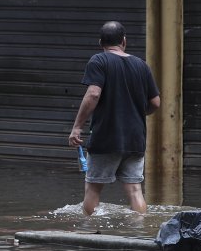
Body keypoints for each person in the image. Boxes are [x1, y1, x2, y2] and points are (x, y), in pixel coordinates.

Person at [68, 21, 160, 216]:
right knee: (135, 190)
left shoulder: (99, 61)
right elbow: (156, 103)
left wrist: (77, 127)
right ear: (124, 41)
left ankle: (90, 234)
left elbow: (93, 94)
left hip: (106, 137)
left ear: (101, 42)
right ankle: (139, 232)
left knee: (93, 188)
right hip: (135, 139)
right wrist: (136, 113)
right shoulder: (141, 65)